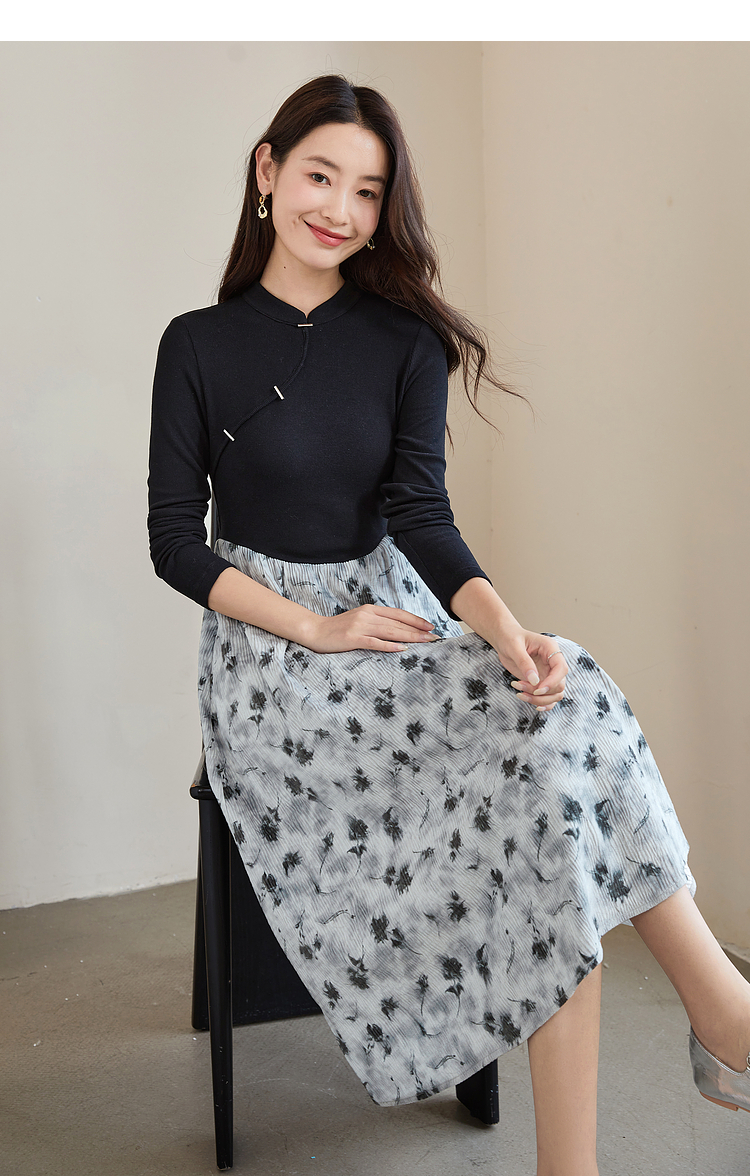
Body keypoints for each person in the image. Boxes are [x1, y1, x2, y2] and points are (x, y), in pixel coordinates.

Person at [147, 74, 750, 1175]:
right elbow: (177, 544)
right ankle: (729, 1022)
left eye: (368, 191)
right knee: (545, 779)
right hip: (273, 663)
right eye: (320, 175)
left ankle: (687, 1048)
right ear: (268, 171)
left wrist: (507, 632)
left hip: (396, 626)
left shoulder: (404, 341)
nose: (341, 209)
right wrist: (316, 630)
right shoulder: (196, 344)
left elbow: (422, 515)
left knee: (563, 697)